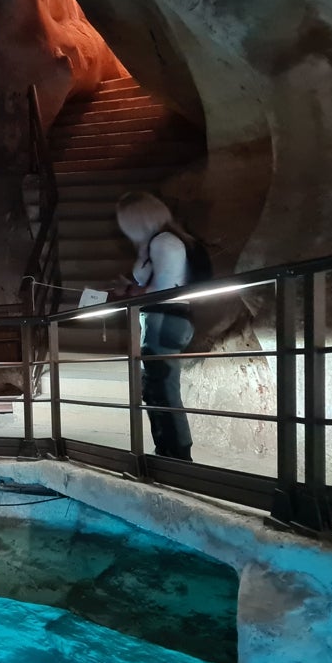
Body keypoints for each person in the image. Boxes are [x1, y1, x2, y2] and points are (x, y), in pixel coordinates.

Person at [112, 191, 195, 461]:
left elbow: (163, 289)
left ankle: (177, 455)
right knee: (155, 388)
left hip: (166, 319)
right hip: (160, 319)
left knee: (163, 389)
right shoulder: (156, 244)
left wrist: (132, 292)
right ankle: (167, 452)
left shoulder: (164, 243)